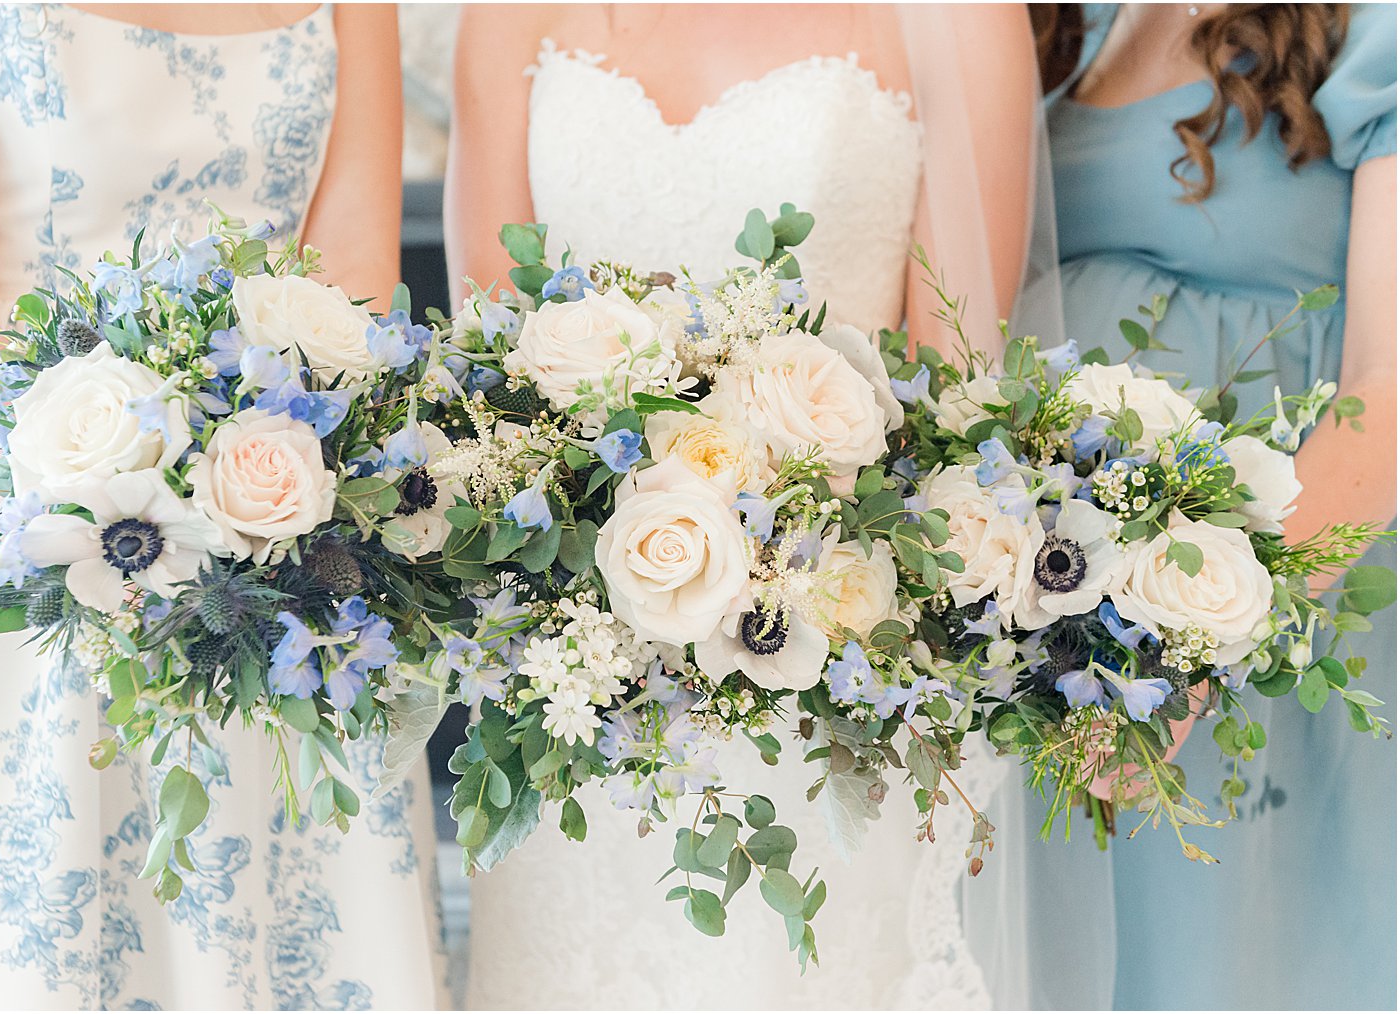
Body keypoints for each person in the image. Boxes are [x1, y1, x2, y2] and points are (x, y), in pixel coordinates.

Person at [445, 5, 1096, 1007]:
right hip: (577, 674)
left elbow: (955, 389)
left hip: (825, 658)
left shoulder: (960, 18)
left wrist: (774, 550)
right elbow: (488, 364)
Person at [0, 5, 445, 1007]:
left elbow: (352, 284)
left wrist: (249, 502)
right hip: (19, 510)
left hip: (273, 534)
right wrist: (92, 518)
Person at [1038, 3, 1397, 1007]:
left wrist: (1190, 652)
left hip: (1262, 608)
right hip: (1056, 614)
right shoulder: (1074, 21)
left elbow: (1389, 382)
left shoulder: (1373, 31)